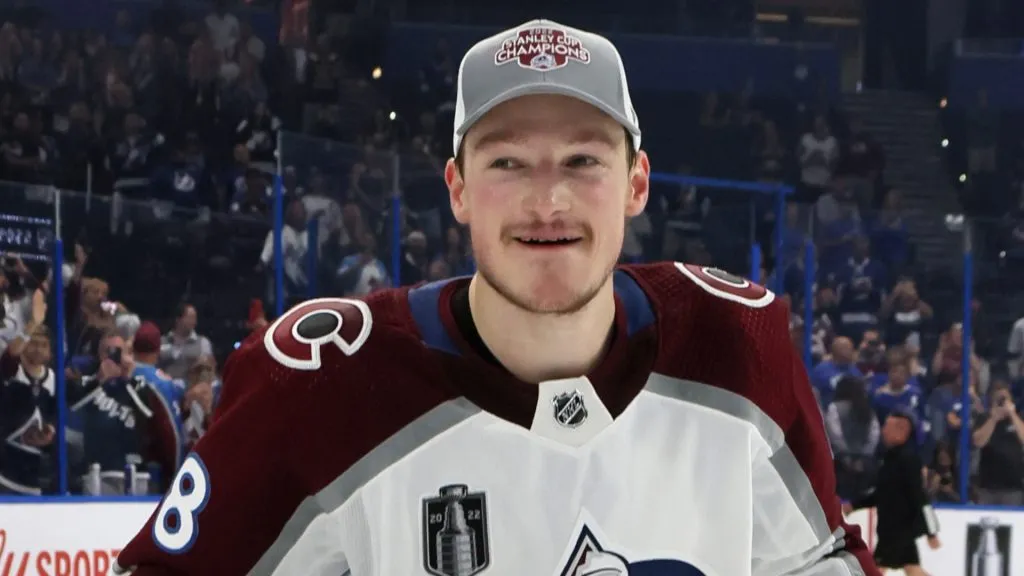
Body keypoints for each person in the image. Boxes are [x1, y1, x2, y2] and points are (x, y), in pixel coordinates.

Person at [114, 20, 878, 575]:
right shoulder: (329, 381)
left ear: (637, 183)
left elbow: (814, 562)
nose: (547, 200)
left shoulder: (734, 347)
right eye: (508, 162)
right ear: (458, 189)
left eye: (582, 159)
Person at [844, 410, 940, 575]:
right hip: (893, 529)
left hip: (897, 531)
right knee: (911, 568)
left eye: (888, 426)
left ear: (902, 430)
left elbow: (919, 496)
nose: (883, 431)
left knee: (877, 570)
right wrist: (854, 505)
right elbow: (883, 493)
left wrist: (931, 532)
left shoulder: (908, 460)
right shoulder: (890, 459)